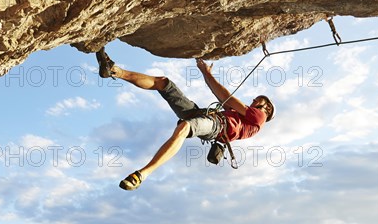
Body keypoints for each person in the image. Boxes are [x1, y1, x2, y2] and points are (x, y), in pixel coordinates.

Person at [96, 48, 275, 190]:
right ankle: (114, 70)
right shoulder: (246, 116)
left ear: (267, 107)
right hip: (205, 116)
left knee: (184, 128)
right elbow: (220, 94)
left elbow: (225, 96)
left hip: (215, 126)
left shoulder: (260, 116)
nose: (253, 100)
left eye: (258, 100)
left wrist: (207, 74)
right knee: (164, 84)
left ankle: (143, 174)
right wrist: (205, 72)